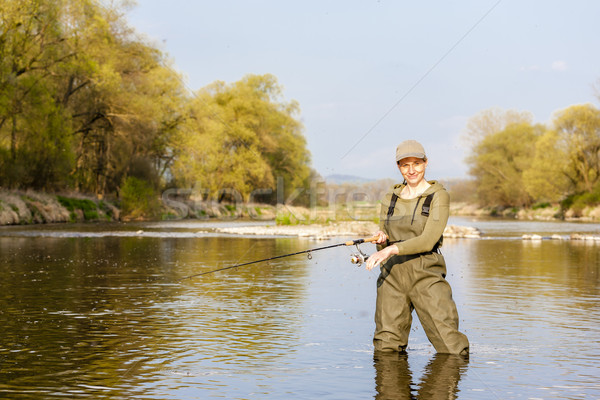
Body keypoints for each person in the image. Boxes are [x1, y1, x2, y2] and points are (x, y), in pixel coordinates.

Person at [365, 139, 469, 355]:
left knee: (451, 348)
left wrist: (390, 249)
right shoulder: (389, 198)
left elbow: (428, 240)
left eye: (416, 164)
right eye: (405, 165)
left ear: (426, 163)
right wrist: (381, 241)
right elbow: (382, 243)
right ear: (398, 167)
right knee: (385, 348)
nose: (411, 170)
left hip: (425, 273)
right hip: (392, 275)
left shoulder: (439, 196)